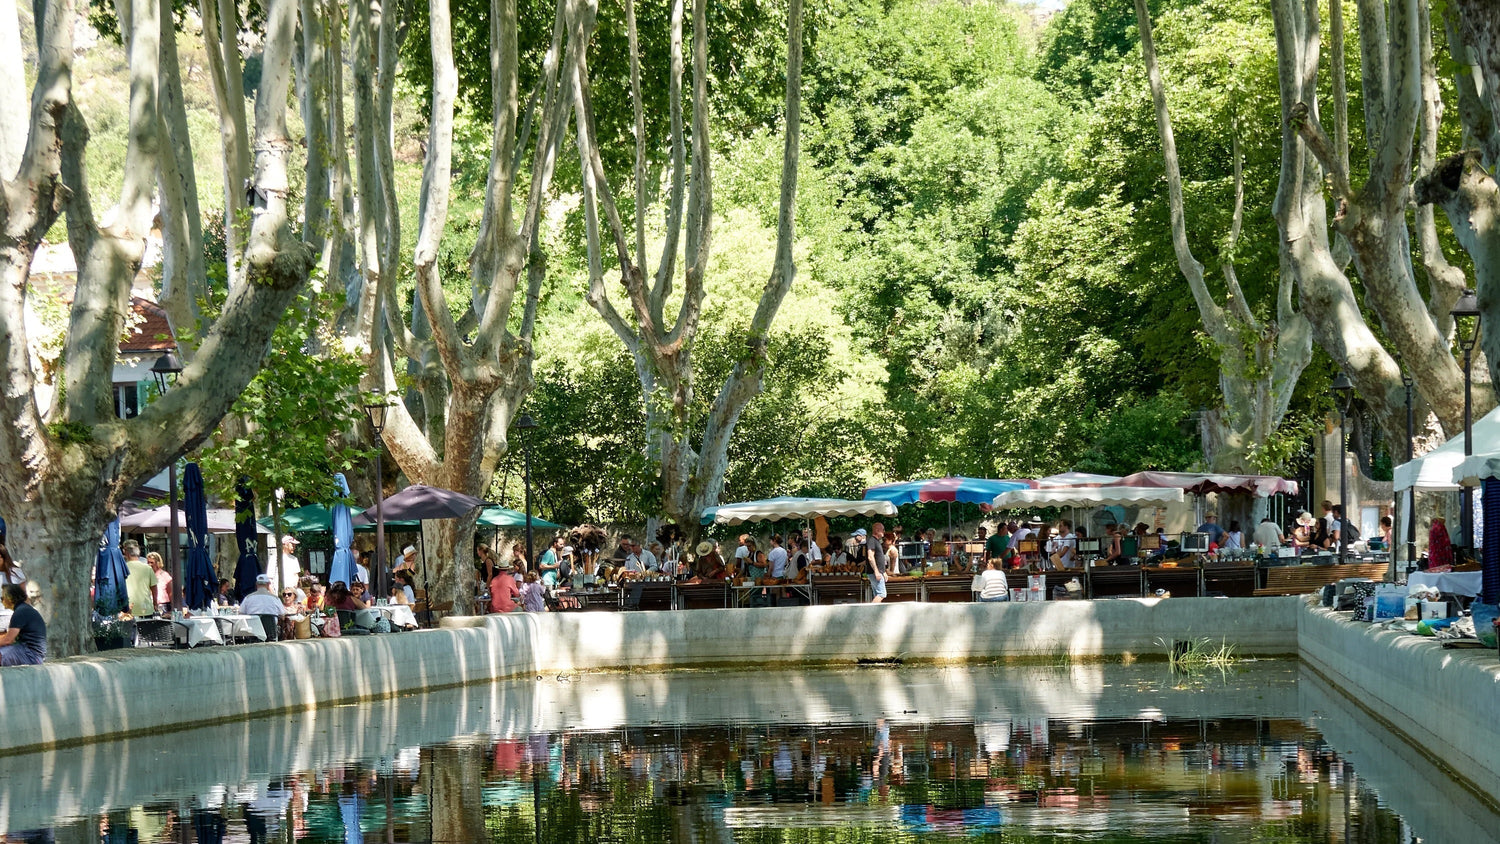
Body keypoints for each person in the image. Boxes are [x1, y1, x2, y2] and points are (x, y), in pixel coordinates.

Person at [0, 584, 45, 665]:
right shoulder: (24, 609)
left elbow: (8, 640)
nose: (1, 601)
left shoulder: (20, 612)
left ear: (9, 598)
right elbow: (9, 637)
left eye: (2, 598)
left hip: (31, 655)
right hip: (31, 653)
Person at [124, 543, 154, 617]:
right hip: (146, 607)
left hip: (127, 608)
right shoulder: (148, 568)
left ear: (127, 554)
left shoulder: (123, 568)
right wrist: (155, 604)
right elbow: (154, 588)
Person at [862, 525, 887, 604]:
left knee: (877, 593)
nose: (884, 531)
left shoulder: (875, 541)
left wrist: (883, 572)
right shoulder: (872, 540)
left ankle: (875, 613)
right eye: (883, 529)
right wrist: (876, 571)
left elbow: (878, 558)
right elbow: (870, 556)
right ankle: (870, 612)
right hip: (875, 572)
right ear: (877, 530)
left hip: (878, 572)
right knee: (881, 594)